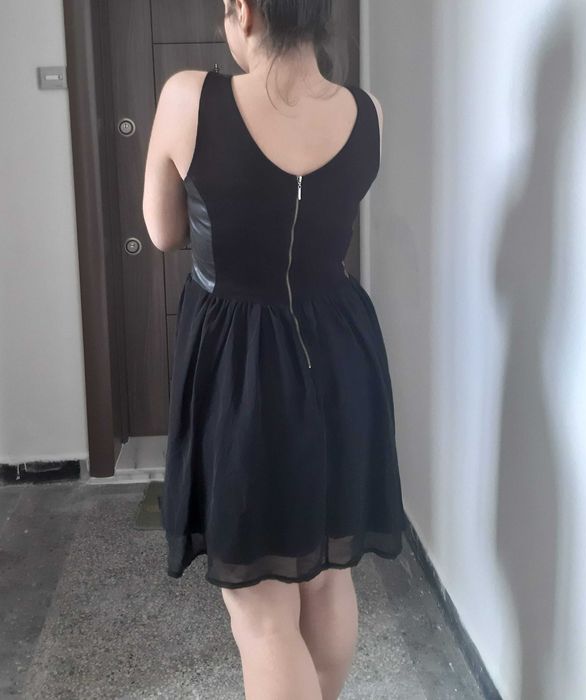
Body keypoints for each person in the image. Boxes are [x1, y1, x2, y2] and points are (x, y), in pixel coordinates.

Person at [143, 1, 406, 697]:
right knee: (326, 579)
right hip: (342, 352)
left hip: (242, 365)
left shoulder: (188, 97)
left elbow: (163, 230)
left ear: (244, 8)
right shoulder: (367, 112)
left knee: (260, 609)